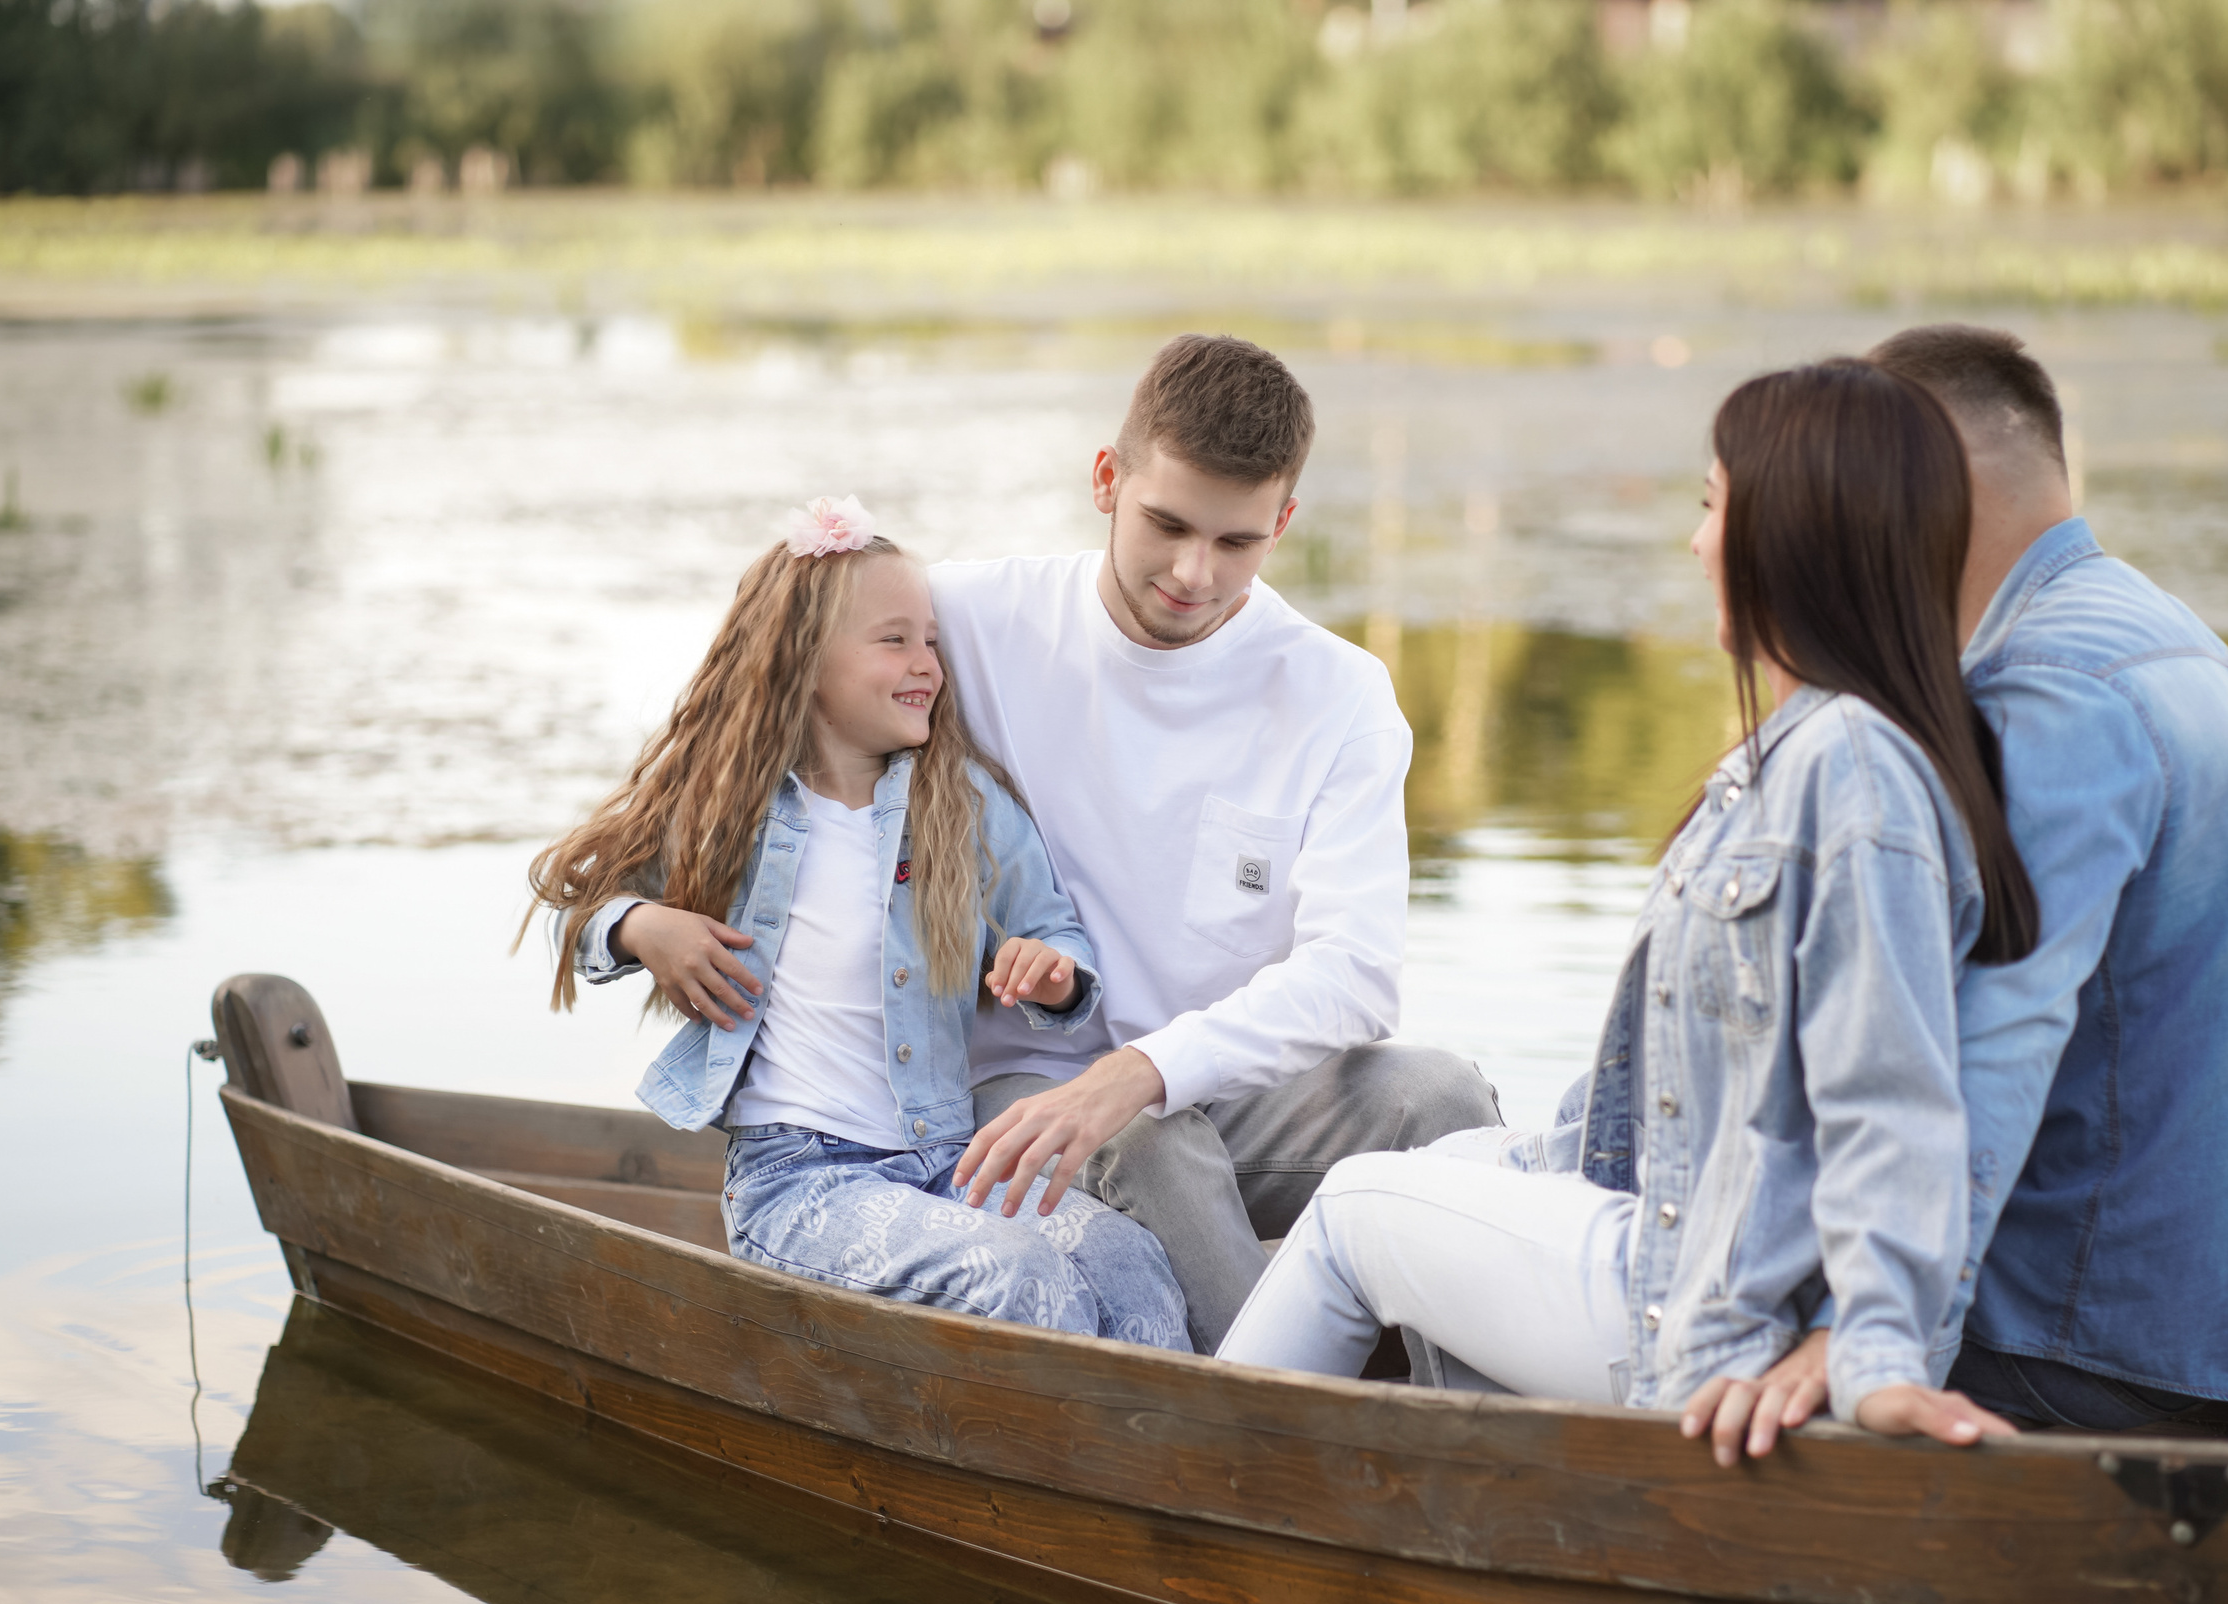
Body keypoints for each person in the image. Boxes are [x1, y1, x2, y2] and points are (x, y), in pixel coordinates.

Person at [1213, 360, 2030, 1452]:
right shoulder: (1802, 751)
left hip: (1699, 1313)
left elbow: (1895, 1094)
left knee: (1356, 1206)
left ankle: (1196, 1478)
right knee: (1442, 1171)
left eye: (1710, 508)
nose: (1695, 546)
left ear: (1791, 537)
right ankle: (1473, 1501)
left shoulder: (1851, 775)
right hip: (1676, 1236)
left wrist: (1872, 1353)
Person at [1689, 326, 2228, 1457]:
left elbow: (1984, 1052)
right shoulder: (2184, 649)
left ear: (1927, 489)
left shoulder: (2042, 699)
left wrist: (1867, 1341)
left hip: (2081, 1354)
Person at [925, 333, 1501, 1353]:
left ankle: (1462, 1413)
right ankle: (1297, 1421)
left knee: (1444, 1097)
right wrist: (635, 917)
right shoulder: (966, 620)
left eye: (1237, 543)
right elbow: (754, 708)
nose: (1195, 573)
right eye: (1167, 525)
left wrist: (1147, 1064)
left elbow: (1356, 976)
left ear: (1282, 521)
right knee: (1150, 1139)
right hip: (1022, 1086)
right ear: (1107, 479)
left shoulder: (1338, 694)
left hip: (1210, 1092)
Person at [525, 497, 1189, 1350]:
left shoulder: (963, 803)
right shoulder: (726, 804)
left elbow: (1055, 931)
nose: (929, 665)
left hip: (950, 1161)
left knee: (1128, 1259)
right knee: (1018, 1274)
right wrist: (643, 928)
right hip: (801, 1182)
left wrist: (1050, 971)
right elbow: (573, 900)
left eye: (933, 642)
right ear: (806, 660)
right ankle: (1047, 1474)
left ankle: (1164, 1469)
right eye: (895, 640)